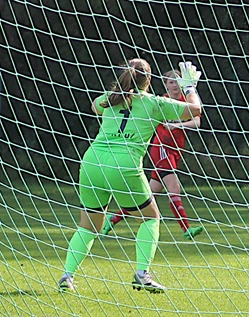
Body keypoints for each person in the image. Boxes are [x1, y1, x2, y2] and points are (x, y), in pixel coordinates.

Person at [58, 58, 202, 294]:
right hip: (123, 165)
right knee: (151, 217)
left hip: (92, 161)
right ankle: (142, 274)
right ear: (150, 80)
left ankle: (67, 275)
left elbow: (95, 106)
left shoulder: (110, 98)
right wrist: (189, 88)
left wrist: (118, 92)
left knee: (88, 227)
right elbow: (195, 111)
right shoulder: (155, 104)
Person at [102, 69, 204, 240]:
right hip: (161, 148)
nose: (175, 85)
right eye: (171, 81)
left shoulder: (184, 102)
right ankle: (186, 229)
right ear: (165, 84)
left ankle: (113, 219)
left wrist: (178, 125)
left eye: (178, 81)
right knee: (174, 188)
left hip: (175, 150)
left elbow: (198, 121)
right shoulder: (160, 102)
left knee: (148, 196)